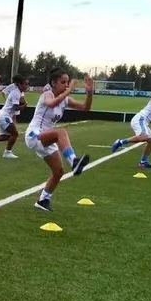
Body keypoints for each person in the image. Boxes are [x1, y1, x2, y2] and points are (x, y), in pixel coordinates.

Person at [25, 68, 93, 212]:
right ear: (53, 83)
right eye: (63, 82)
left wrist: (89, 92)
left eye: (67, 82)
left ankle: (43, 200)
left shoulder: (65, 99)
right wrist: (69, 90)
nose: (66, 85)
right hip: (34, 135)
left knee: (58, 171)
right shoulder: (47, 94)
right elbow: (51, 103)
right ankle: (74, 161)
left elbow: (85, 107)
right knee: (61, 132)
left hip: (48, 137)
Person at [109, 89, 151, 168]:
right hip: (140, 119)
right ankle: (120, 142)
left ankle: (143, 162)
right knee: (144, 137)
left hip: (143, 122)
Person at [0, 75, 29, 158]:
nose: (27, 86)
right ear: (20, 84)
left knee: (7, 136)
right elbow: (16, 108)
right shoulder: (16, 93)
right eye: (25, 84)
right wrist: (24, 105)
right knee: (15, 134)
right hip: (4, 116)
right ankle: (7, 152)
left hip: (3, 115)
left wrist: (22, 103)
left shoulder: (19, 92)